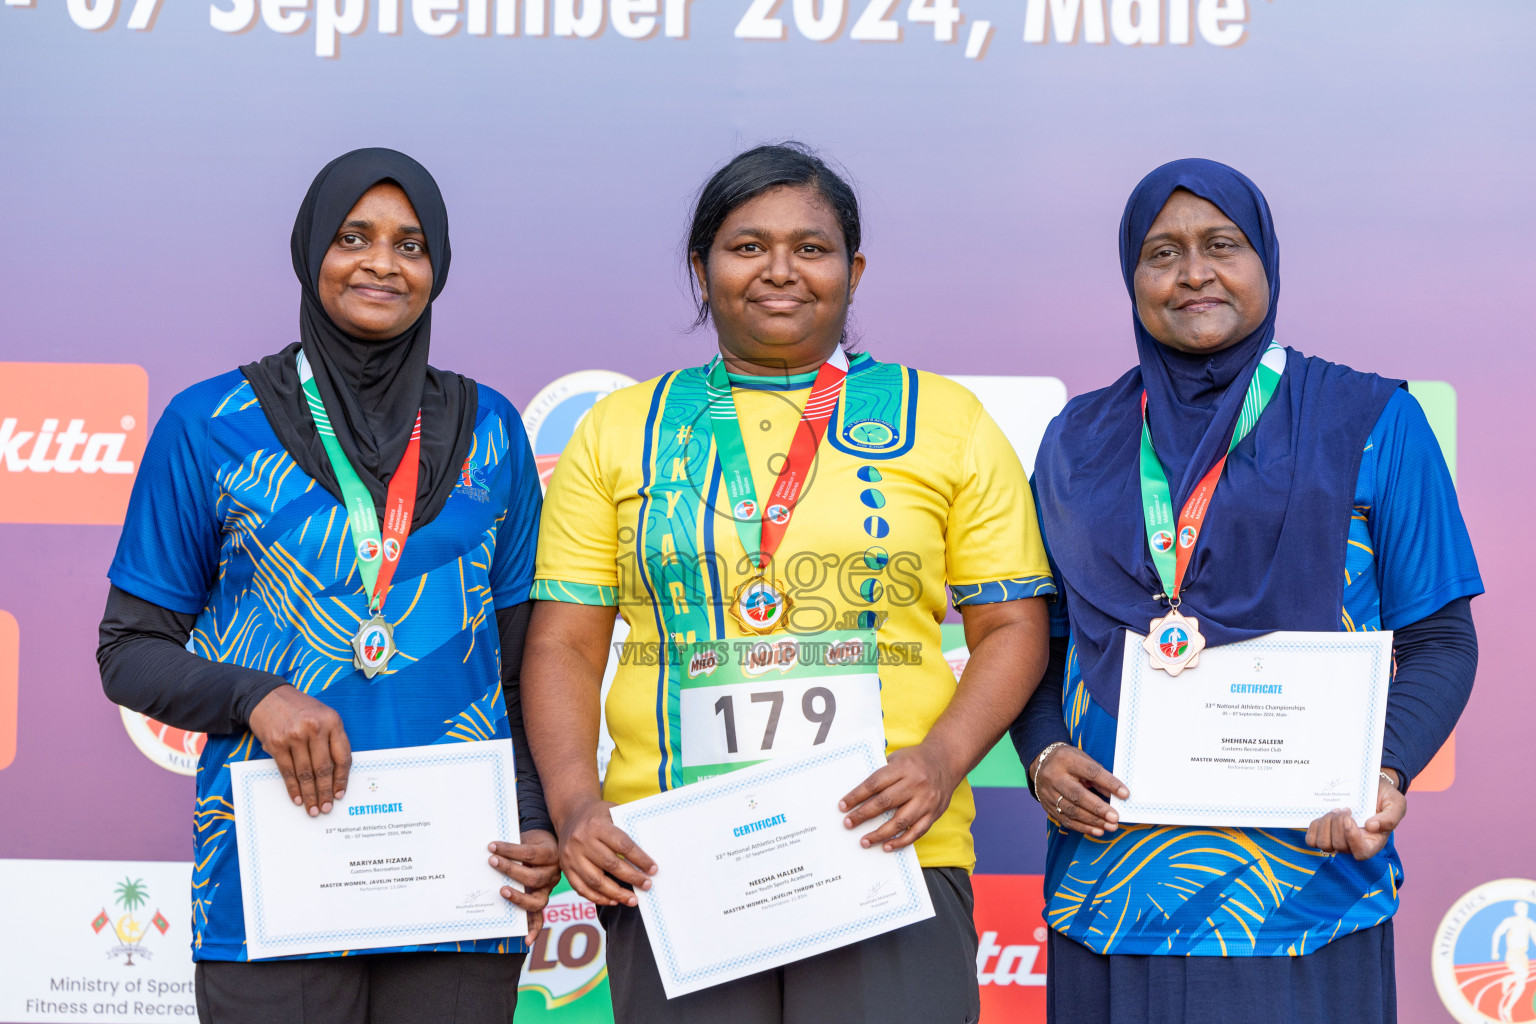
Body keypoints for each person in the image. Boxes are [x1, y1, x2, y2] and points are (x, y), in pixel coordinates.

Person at [521, 142, 1054, 1024]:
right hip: (674, 855)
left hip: (890, 845)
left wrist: (939, 760)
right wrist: (578, 804)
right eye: (746, 246)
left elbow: (1012, 628)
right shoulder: (621, 430)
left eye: (811, 247)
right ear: (701, 268)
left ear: (855, 269)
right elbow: (563, 644)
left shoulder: (946, 420)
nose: (780, 271)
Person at [1011, 158, 1482, 1023]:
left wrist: (1384, 770)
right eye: (1163, 253)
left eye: (1221, 245)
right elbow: (1036, 640)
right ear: (1132, 275)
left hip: (1306, 890)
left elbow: (1440, 638)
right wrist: (1041, 757)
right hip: (1112, 888)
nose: (1195, 272)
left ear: (1265, 258)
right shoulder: (1076, 442)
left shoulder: (1372, 421)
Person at [97, 148, 559, 1024]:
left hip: (459, 885)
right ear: (313, 253)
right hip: (276, 884)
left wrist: (536, 822)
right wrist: (256, 696)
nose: (382, 262)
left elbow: (520, 664)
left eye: (411, 244)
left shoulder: (491, 428)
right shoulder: (210, 425)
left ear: (438, 269)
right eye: (355, 236)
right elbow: (128, 651)